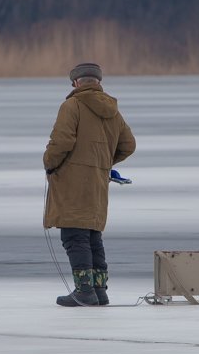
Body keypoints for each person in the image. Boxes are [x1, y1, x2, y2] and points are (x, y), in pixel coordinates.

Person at [43, 62, 136, 306]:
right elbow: (129, 145)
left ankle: (84, 291)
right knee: (92, 235)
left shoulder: (72, 105)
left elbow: (61, 141)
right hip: (97, 182)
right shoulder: (113, 110)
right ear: (98, 82)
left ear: (75, 83)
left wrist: (49, 163)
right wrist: (102, 163)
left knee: (75, 235)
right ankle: (99, 290)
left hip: (72, 182)